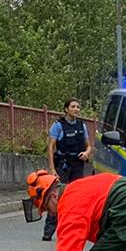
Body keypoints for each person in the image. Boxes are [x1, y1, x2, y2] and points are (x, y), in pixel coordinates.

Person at [43, 99, 92, 241]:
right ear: (66, 109)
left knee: (77, 198)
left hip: (77, 165)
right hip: (63, 166)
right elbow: (51, 147)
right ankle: (49, 230)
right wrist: (52, 169)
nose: (76, 109)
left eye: (78, 107)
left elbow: (88, 145)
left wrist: (87, 153)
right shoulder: (58, 126)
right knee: (57, 198)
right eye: (73, 107)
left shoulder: (81, 126)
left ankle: (74, 230)